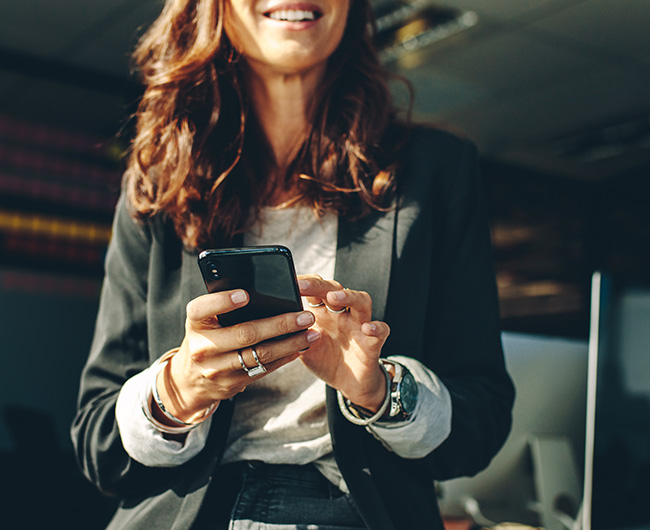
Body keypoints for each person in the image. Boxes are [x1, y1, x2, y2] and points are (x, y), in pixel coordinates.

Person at [71, 0, 514, 528]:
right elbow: (98, 443)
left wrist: (379, 390)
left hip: (360, 508)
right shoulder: (157, 180)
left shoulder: (437, 171)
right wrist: (180, 389)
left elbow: (480, 422)